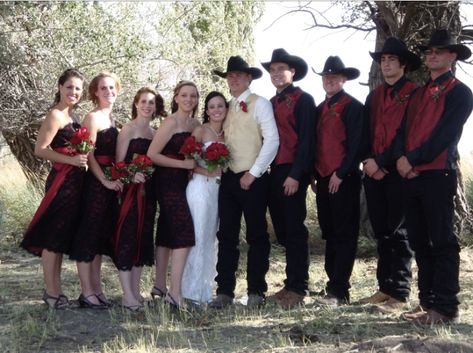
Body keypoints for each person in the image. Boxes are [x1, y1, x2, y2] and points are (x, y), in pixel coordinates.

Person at [395, 29, 472, 324]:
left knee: (442, 241)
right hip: (410, 175)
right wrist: (401, 158)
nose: (432, 56)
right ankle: (427, 303)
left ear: (452, 56)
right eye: (429, 52)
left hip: (438, 173)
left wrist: (412, 159)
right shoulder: (417, 93)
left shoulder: (461, 93)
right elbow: (403, 130)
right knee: (419, 240)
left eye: (439, 52)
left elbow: (445, 136)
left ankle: (446, 307)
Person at [210, 56, 279, 308]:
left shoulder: (260, 104)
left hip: (253, 178)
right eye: (230, 75)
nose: (234, 78)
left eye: (239, 74)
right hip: (228, 180)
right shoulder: (226, 107)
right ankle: (225, 291)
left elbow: (272, 140)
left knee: (257, 235)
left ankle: (256, 291)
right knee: (226, 235)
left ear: (249, 77)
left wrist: (255, 172)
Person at [359, 38, 421, 313]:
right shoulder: (374, 95)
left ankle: (400, 292)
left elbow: (407, 135)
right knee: (382, 231)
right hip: (372, 171)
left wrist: (383, 162)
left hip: (397, 171)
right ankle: (384, 287)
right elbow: (365, 132)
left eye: (391, 60)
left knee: (400, 232)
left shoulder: (414, 94)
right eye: (383, 60)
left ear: (403, 64)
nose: (386, 64)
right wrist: (367, 161)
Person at [20, 68, 88, 309]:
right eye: (69, 87)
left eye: (78, 88)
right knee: (52, 239)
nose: (73, 92)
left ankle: (57, 292)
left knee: (60, 240)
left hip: (75, 185)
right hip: (61, 183)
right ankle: (51, 293)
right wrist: (72, 160)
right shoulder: (55, 115)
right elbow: (40, 149)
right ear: (60, 87)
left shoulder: (74, 117)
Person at [261, 48, 316, 308]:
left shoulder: (303, 100)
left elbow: (307, 141)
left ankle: (299, 288)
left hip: (293, 169)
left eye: (280, 69)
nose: (275, 74)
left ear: (292, 72)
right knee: (282, 229)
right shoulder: (271, 103)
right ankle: (289, 282)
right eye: (272, 70)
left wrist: (297, 174)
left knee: (294, 229)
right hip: (275, 170)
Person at [312, 56, 364, 307]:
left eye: (334, 76)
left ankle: (339, 290)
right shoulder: (319, 109)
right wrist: (315, 173)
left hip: (344, 178)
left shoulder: (353, 107)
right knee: (329, 233)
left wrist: (341, 173)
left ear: (344, 79)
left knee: (344, 234)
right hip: (322, 178)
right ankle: (332, 285)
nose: (329, 80)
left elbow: (357, 146)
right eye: (326, 76)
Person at [69, 72, 123, 309]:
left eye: (112, 88)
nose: (108, 92)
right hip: (95, 184)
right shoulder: (92, 118)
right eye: (103, 88)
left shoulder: (112, 119)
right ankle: (86, 293)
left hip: (110, 185)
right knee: (87, 237)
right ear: (95, 93)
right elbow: (88, 155)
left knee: (99, 239)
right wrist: (105, 181)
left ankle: (97, 289)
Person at [147, 81, 200, 308]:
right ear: (176, 97)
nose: (189, 99)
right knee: (184, 231)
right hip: (166, 182)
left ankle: (159, 285)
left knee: (167, 231)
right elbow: (152, 155)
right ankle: (174, 293)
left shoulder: (196, 124)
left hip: (184, 182)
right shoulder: (170, 122)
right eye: (184, 95)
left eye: (193, 96)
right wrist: (183, 165)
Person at [114, 87, 166, 311]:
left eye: (151, 102)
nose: (147, 105)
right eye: (143, 101)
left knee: (142, 241)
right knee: (127, 239)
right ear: (136, 104)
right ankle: (127, 295)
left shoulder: (155, 134)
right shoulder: (128, 129)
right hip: (130, 193)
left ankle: (135, 292)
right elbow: (118, 164)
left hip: (149, 193)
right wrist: (131, 174)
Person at [182, 91, 228, 305]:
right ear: (207, 110)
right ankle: (190, 291)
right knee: (198, 236)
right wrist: (207, 172)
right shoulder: (200, 131)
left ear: (226, 109)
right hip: (200, 189)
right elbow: (188, 164)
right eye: (212, 106)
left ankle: (205, 291)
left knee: (212, 239)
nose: (216, 110)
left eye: (220, 106)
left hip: (219, 191)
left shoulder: (229, 133)